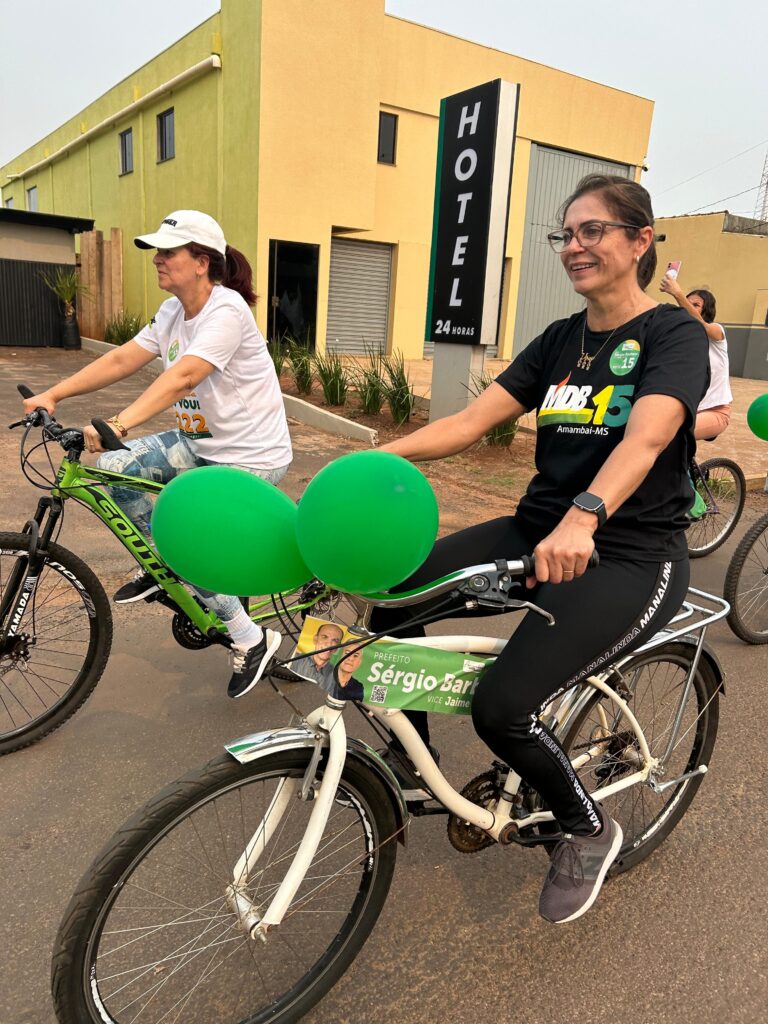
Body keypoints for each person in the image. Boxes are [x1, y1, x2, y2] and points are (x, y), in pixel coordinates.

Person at [372, 174, 710, 925]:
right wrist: (371, 464)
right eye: (567, 234)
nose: (575, 247)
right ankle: (409, 764)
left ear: (639, 241)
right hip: (537, 532)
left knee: (502, 707)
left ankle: (588, 828)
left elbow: (648, 435)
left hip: (630, 555)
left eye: (593, 231)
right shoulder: (561, 339)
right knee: (391, 601)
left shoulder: (672, 336)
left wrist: (587, 513)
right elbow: (469, 423)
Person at [22, 210, 292, 699]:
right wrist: (54, 394)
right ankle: (166, 565)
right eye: (157, 252)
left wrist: (120, 424)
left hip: (252, 457)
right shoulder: (171, 313)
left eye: (169, 252)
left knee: (183, 528)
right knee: (117, 467)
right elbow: (125, 357)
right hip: (201, 443)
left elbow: (184, 376)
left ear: (202, 262)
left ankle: (251, 637)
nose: (158, 261)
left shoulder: (226, 312)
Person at [659, 278, 732, 440]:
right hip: (688, 408)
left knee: (672, 435)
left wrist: (678, 294)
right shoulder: (682, 339)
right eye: (687, 303)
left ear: (707, 311)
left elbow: (703, 327)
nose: (688, 307)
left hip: (715, 411)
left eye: (696, 305)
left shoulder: (716, 332)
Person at [291, 621, 345, 688]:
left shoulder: (336, 674)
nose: (329, 644)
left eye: (335, 641)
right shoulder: (296, 659)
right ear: (315, 639)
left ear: (338, 647)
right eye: (324, 637)